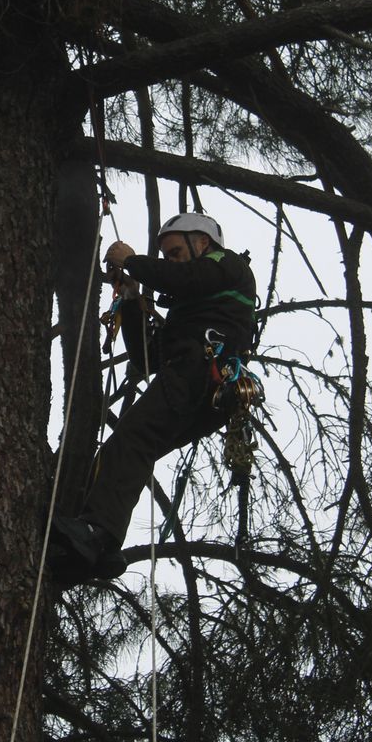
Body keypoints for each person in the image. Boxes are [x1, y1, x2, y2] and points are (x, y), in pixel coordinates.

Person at [50, 212, 257, 583]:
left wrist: (131, 260)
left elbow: (185, 278)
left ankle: (97, 534)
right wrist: (130, 300)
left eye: (175, 252)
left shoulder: (227, 266)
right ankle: (97, 547)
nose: (170, 261)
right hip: (201, 387)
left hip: (200, 370)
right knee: (127, 450)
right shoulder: (189, 311)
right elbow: (147, 358)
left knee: (132, 441)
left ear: (203, 243)